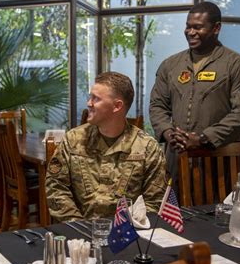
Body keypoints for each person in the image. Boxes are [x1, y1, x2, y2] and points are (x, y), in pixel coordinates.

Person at [149, 1, 240, 190]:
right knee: (173, 213)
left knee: (214, 214)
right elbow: (157, 105)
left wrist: (203, 138)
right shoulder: (170, 65)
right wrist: (168, 133)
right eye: (188, 26)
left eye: (197, 27)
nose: (190, 32)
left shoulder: (237, 65)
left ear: (216, 28)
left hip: (218, 161)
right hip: (176, 158)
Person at [46, 72, 167, 222]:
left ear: (117, 106)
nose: (89, 103)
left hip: (126, 234)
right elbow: (56, 188)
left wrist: (126, 228)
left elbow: (154, 201)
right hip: (79, 233)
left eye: (95, 98)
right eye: (90, 97)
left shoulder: (147, 148)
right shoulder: (73, 140)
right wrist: (78, 226)